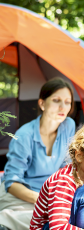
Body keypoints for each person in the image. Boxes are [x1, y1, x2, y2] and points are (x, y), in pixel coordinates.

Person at [0, 78, 76, 230]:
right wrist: (43, 200)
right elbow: (12, 183)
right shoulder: (24, 135)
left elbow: (66, 169)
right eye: (56, 100)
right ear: (42, 104)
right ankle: (5, 220)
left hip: (49, 195)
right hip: (21, 195)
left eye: (67, 102)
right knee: (49, 221)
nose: (63, 107)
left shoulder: (68, 125)